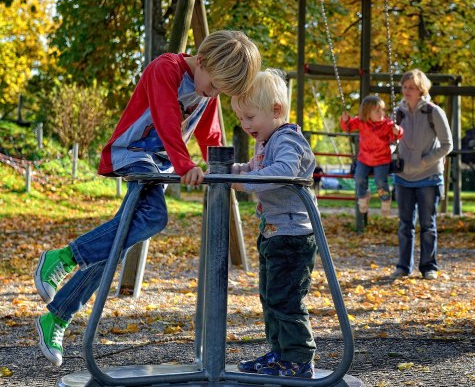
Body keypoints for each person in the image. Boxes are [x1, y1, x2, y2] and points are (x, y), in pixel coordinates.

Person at [33, 30, 262, 366]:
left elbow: (210, 133)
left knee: (118, 243)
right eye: (213, 86)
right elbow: (167, 119)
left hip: (159, 164)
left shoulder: (207, 91)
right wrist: (185, 165)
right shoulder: (165, 68)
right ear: (203, 60)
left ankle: (58, 314)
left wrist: (221, 169)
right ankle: (64, 257)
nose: (212, 94)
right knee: (154, 217)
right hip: (135, 153)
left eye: (219, 92)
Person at [230, 69, 318, 379]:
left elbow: (282, 171)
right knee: (270, 297)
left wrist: (245, 183)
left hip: (293, 237)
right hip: (273, 234)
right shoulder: (266, 141)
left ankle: (299, 358)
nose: (245, 125)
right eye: (241, 118)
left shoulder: (287, 139)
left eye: (250, 117)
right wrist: (230, 171)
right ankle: (280, 353)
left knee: (286, 298)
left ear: (276, 110)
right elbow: (253, 167)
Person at [391, 69, 452, 280]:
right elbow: (388, 141)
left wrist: (424, 161)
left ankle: (429, 267)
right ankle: (403, 267)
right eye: (405, 87)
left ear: (421, 89)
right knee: (405, 225)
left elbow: (447, 145)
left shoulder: (434, 112)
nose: (407, 91)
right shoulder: (397, 113)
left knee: (428, 224)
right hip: (403, 177)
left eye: (412, 88)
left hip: (429, 176)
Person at [340, 95, 403, 217]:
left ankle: (385, 200)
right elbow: (347, 127)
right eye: (377, 110)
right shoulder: (361, 122)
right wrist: (345, 120)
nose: (381, 113)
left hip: (382, 159)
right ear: (367, 113)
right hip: (364, 159)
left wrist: (398, 131)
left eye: (382, 110)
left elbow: (396, 136)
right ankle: (363, 197)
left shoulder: (387, 124)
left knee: (380, 181)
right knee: (359, 178)